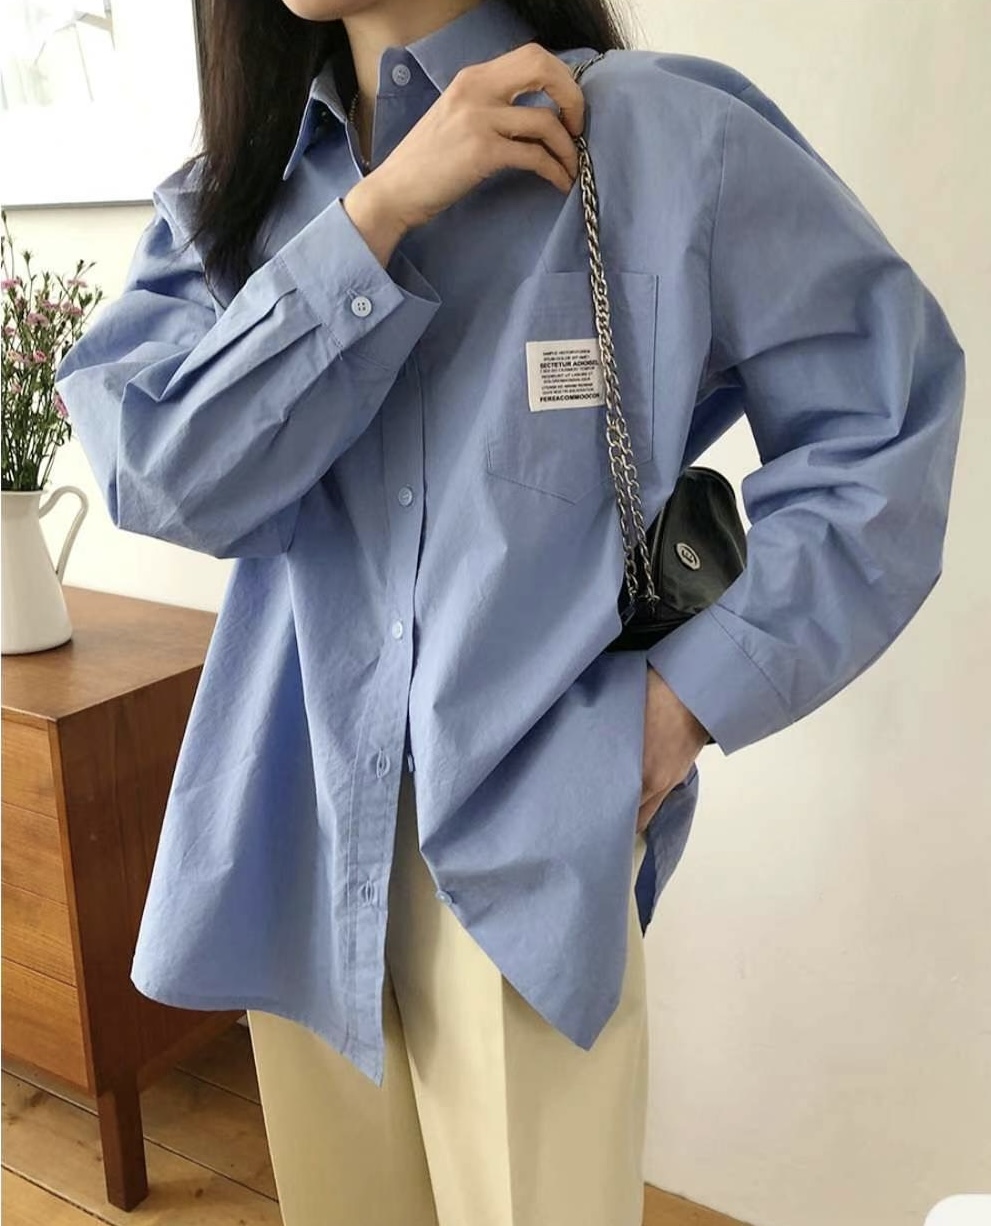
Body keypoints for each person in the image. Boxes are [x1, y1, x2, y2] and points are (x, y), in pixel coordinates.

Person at [53, 0, 966, 1223]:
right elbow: (158, 475)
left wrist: (683, 705)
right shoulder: (243, 192)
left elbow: (887, 427)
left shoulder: (657, 135)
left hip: (529, 830)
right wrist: (375, 218)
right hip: (292, 816)